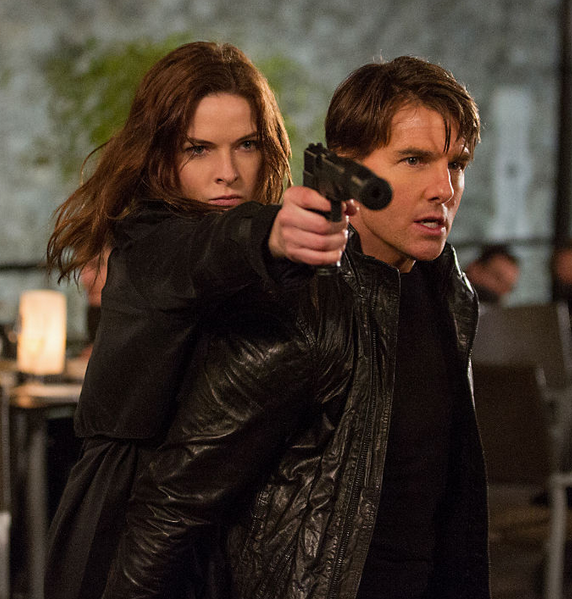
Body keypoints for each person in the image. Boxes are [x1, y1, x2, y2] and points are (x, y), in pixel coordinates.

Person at [101, 55, 490, 599]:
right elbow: (174, 504)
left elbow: (445, 502)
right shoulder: (304, 304)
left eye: (457, 164)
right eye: (414, 160)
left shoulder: (450, 293)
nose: (443, 188)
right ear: (347, 172)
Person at [45, 41, 353, 599]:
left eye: (246, 145)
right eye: (198, 149)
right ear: (159, 155)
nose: (226, 173)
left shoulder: (260, 261)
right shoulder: (149, 242)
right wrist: (272, 231)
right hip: (122, 516)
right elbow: (206, 249)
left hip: (220, 520)